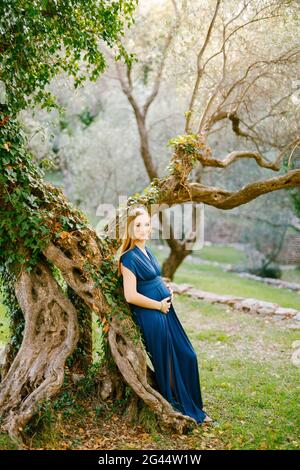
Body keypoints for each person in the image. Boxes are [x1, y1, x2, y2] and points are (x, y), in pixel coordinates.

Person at [118, 205, 213, 425]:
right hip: (151, 314)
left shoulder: (146, 250)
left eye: (147, 225)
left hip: (166, 310)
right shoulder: (128, 258)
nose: (143, 229)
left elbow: (153, 280)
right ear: (130, 229)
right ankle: (181, 407)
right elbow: (130, 295)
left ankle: (194, 404)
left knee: (188, 355)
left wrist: (167, 290)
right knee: (168, 361)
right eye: (138, 225)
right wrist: (158, 305)